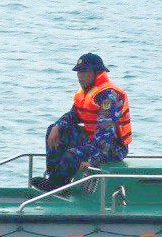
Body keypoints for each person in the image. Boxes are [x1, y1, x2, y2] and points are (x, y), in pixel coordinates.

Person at [39, 52, 131, 190]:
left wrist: (92, 160)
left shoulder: (109, 96)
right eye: (78, 72)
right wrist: (57, 125)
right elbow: (72, 116)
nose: (80, 76)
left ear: (97, 73)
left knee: (73, 154)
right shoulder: (86, 92)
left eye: (84, 72)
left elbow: (105, 134)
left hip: (112, 147)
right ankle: (53, 177)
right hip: (93, 140)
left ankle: (57, 186)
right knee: (55, 130)